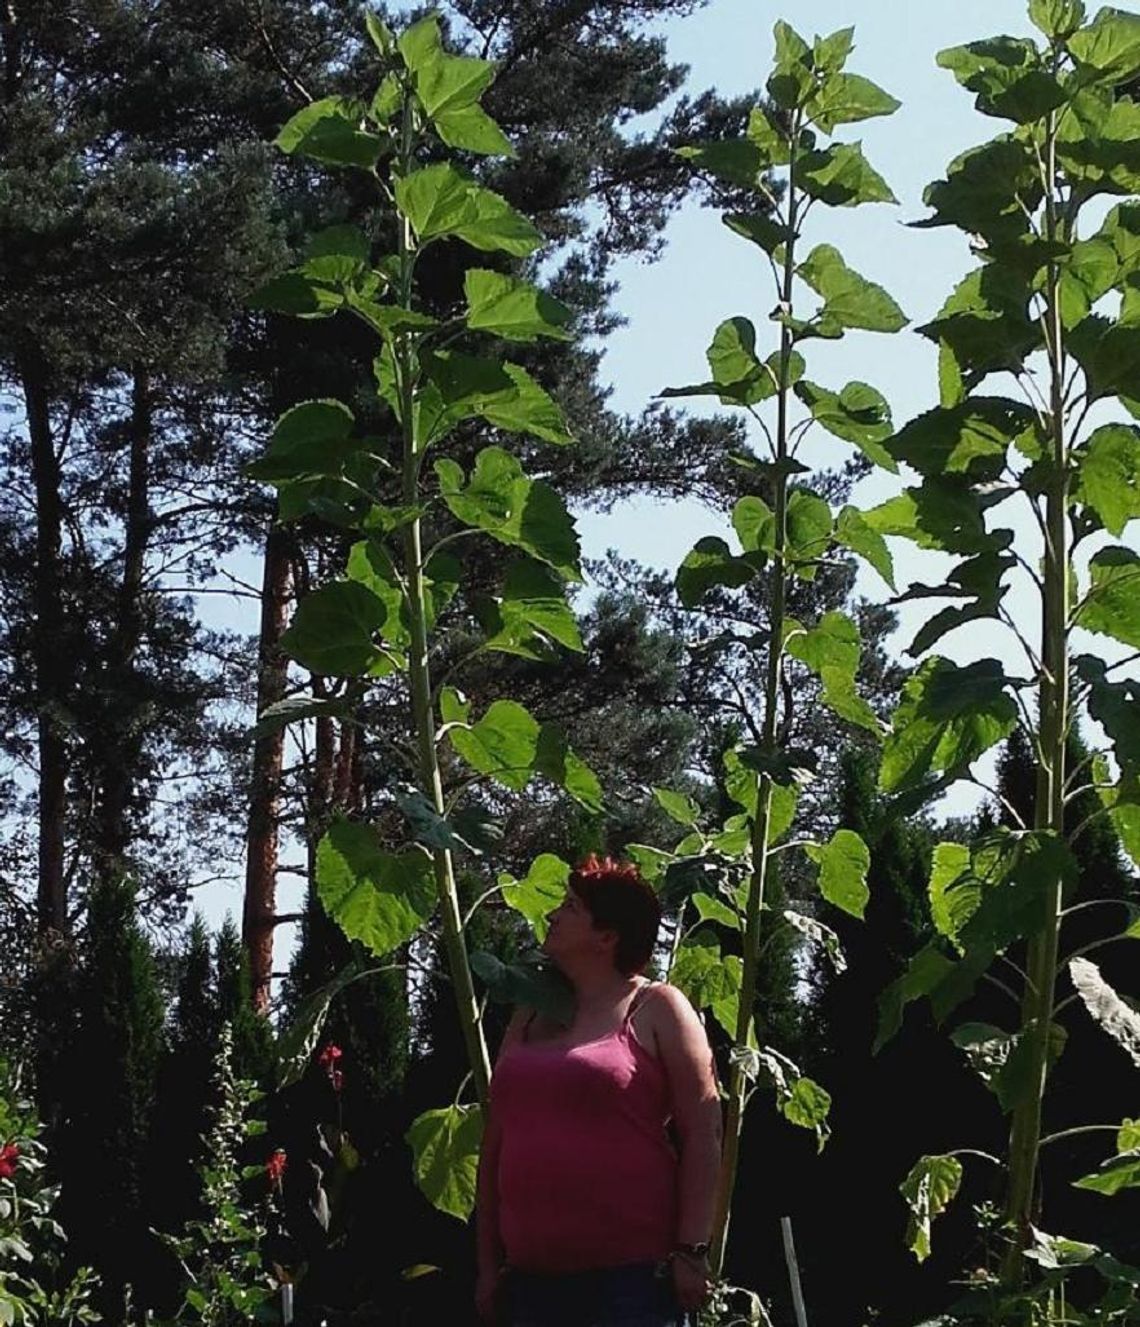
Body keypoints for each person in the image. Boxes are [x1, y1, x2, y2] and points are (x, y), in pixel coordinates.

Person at [475, 854, 723, 1327]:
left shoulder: (656, 1007)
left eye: (569, 907)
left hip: (630, 1284)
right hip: (530, 1282)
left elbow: (703, 1131)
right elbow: (497, 1143)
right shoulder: (529, 1013)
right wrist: (488, 1266)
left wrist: (692, 1251)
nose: (551, 915)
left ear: (606, 937)